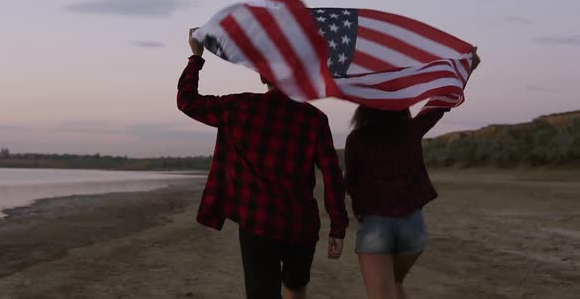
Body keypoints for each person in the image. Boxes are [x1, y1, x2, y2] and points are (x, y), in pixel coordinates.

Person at [177, 28, 349, 299]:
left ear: (261, 75)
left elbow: (187, 102)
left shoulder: (240, 107)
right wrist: (338, 228)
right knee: (294, 287)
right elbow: (332, 176)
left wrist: (196, 56)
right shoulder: (314, 119)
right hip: (301, 227)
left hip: (258, 224)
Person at [344, 52, 481, 299]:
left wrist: (359, 212)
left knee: (382, 292)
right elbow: (440, 103)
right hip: (413, 227)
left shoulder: (356, 140)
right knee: (395, 283)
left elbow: (351, 183)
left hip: (375, 224)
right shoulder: (411, 131)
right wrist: (466, 69)